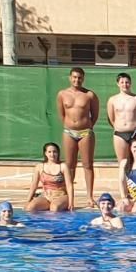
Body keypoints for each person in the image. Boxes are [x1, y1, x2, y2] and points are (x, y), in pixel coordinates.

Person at [56, 67, 100, 208]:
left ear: (83, 78)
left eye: (79, 77)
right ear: (70, 78)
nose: (77, 80)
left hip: (85, 132)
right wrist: (70, 126)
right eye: (74, 77)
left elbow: (95, 114)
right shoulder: (62, 94)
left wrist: (86, 126)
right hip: (69, 132)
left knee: (87, 164)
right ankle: (69, 196)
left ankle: (89, 196)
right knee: (69, 165)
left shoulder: (89, 95)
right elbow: (62, 114)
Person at [106, 72, 136, 175]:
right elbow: (111, 119)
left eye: (127, 82)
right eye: (122, 82)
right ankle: (124, 189)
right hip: (120, 135)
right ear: (118, 84)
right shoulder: (112, 100)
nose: (125, 84)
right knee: (122, 163)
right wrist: (120, 127)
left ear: (130, 83)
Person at [25, 142, 72, 213]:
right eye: (49, 152)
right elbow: (33, 185)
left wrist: (71, 202)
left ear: (58, 153)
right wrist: (28, 201)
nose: (52, 154)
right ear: (45, 153)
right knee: (30, 208)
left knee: (54, 208)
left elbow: (69, 185)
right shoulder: (39, 167)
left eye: (54, 152)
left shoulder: (63, 166)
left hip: (61, 196)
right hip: (46, 197)